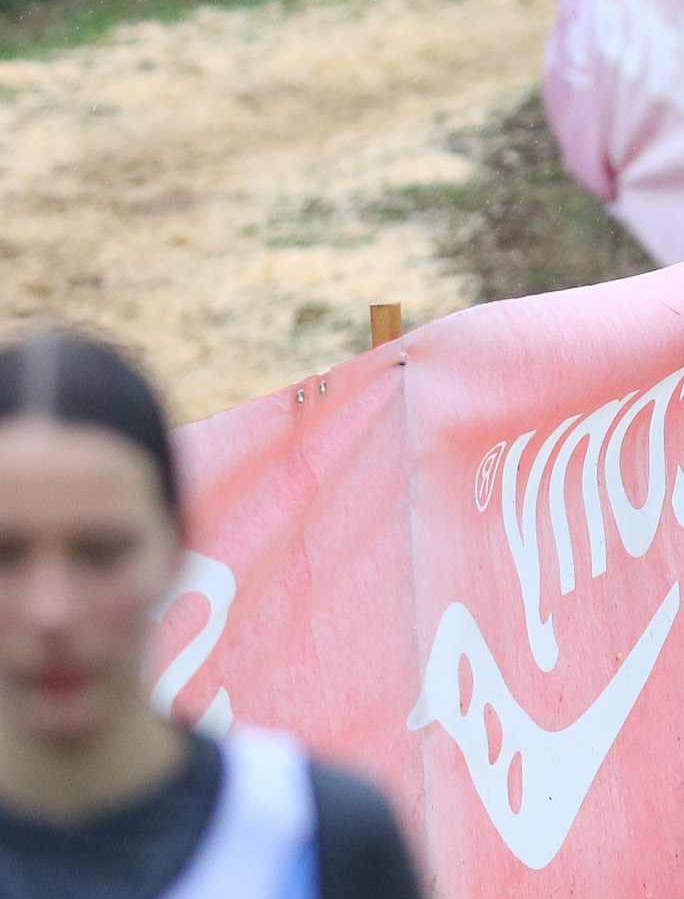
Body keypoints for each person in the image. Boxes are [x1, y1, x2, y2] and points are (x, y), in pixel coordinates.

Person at [0, 330, 421, 898]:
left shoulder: (322, 837)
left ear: (176, 548)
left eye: (101, 553)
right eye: (7, 555)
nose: (53, 611)